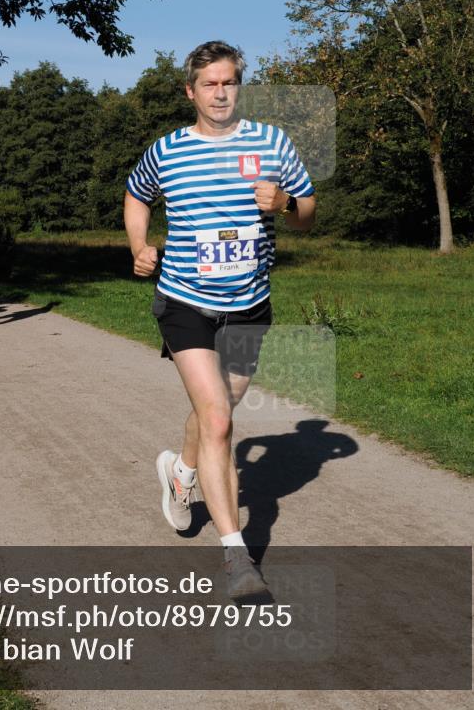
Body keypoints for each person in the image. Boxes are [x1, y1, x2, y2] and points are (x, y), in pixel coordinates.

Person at [124, 41, 316, 602]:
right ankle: (239, 558)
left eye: (229, 82)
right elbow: (136, 197)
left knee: (221, 411)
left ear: (240, 85)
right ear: (191, 91)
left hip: (250, 303)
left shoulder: (272, 143)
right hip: (184, 298)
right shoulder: (167, 151)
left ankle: (180, 472)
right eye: (209, 84)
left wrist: (283, 203)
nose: (220, 92)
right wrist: (139, 244)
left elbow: (308, 215)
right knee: (219, 421)